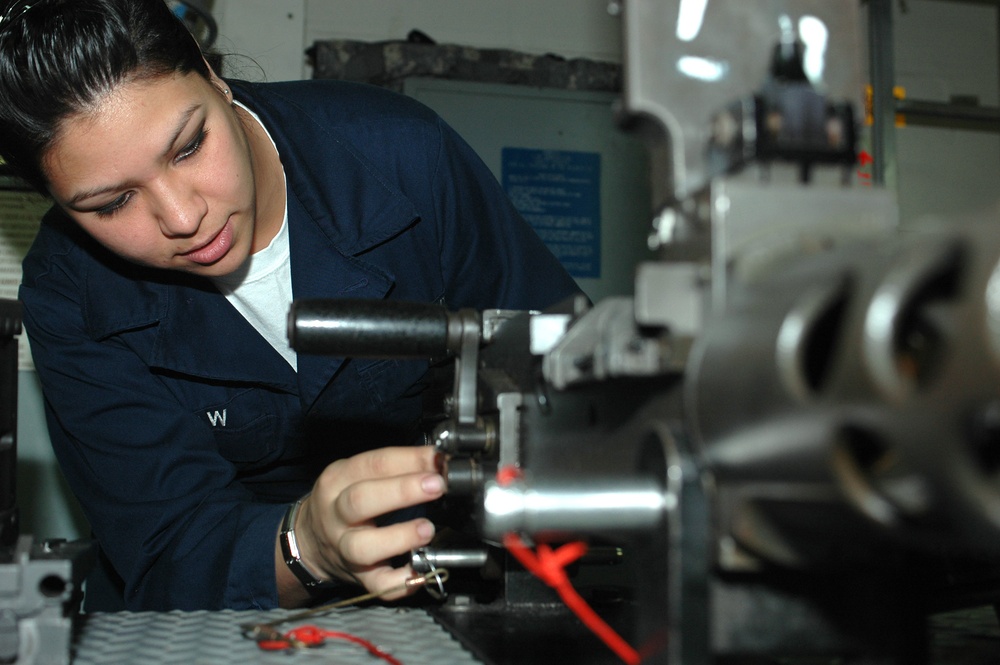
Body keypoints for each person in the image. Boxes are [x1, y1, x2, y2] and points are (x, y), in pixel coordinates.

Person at [0, 0, 580, 611]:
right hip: (208, 616)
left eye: (189, 146)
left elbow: (564, 375)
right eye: (112, 204)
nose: (183, 216)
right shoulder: (67, 291)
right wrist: (307, 547)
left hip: (445, 581)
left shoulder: (405, 157)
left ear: (211, 74)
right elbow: (166, 546)